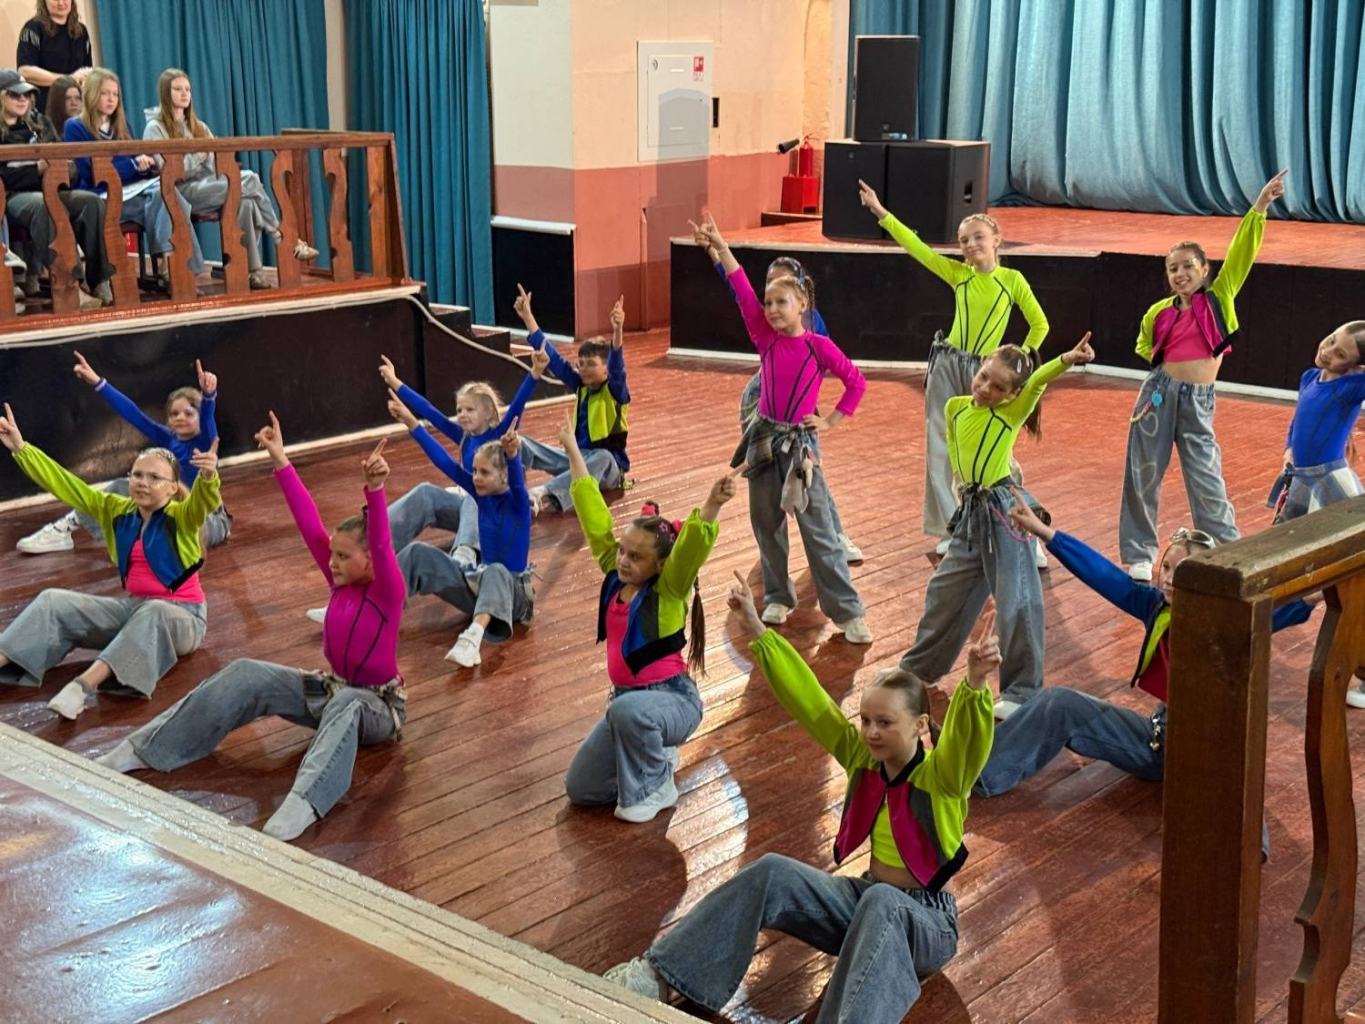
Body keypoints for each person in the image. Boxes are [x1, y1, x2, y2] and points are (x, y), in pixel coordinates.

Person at [604, 572, 997, 1022]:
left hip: (926, 925)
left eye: (885, 723)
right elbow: (811, 701)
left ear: (920, 726)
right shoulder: (863, 761)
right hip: (868, 903)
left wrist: (975, 683)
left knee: (883, 902)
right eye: (866, 720)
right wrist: (758, 633)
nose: (870, 732)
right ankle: (659, 976)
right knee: (772, 871)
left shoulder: (943, 778)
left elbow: (966, 745)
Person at [95, 424, 405, 843]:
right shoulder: (339, 583)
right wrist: (280, 460)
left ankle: (304, 802)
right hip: (334, 690)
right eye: (331, 553)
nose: (331, 561)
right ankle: (145, 748)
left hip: (377, 707)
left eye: (343, 556)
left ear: (369, 562)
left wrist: (376, 491)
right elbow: (308, 522)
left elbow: (383, 545)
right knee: (245, 672)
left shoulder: (387, 591)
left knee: (349, 703)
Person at [976, 497, 1316, 850]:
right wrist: (1047, 534)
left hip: (1211, 751)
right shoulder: (1154, 605)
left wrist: (1321, 591)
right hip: (1161, 739)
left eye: (1181, 572)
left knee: (1237, 771)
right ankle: (975, 773)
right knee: (1059, 703)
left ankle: (1247, 854)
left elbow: (1293, 607)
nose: (1168, 579)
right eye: (1166, 567)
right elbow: (1104, 575)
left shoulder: (1232, 621)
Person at [692, 214, 872, 644]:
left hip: (800, 447)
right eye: (768, 303)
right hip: (764, 442)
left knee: (819, 530)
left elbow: (856, 382)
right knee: (766, 523)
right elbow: (741, 289)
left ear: (802, 305)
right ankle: (777, 595)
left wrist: (830, 420)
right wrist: (720, 246)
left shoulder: (818, 345)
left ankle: (847, 611)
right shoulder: (765, 338)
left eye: (781, 302)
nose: (772, 309)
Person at [898, 332, 1097, 719]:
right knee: (945, 591)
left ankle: (1022, 690)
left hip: (1005, 513)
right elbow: (954, 449)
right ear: (979, 367)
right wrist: (962, 490)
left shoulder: (1009, 414)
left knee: (1017, 600)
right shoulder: (955, 407)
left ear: (1012, 395)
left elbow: (1037, 382)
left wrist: (1066, 360)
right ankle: (920, 668)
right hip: (972, 511)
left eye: (999, 387)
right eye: (984, 376)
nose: (986, 388)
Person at [857, 179, 1050, 561]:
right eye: (963, 240)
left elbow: (1039, 324)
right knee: (941, 447)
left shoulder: (1012, 281)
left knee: (997, 449)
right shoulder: (959, 275)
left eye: (978, 237)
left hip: (986, 372)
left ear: (996, 240)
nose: (970, 244)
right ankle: (953, 527)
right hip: (948, 364)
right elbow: (918, 249)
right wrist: (881, 212)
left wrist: (1015, 362)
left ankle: (1022, 526)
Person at [561, 413, 734, 822]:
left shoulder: (668, 589)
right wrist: (571, 449)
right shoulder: (615, 576)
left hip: (672, 702)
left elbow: (690, 550)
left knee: (628, 713)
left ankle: (656, 784)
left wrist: (711, 505)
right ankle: (653, 756)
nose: (623, 560)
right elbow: (594, 519)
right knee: (582, 789)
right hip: (628, 705)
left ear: (659, 565)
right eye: (623, 551)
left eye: (636, 556)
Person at [0, 401, 219, 720]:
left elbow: (203, 502)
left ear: (173, 487)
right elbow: (66, 484)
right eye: (137, 475)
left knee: (155, 611)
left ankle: (81, 688)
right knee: (53, 601)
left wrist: (209, 477)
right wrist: (22, 450)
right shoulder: (115, 509)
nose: (142, 482)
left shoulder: (183, 517)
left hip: (184, 618)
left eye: (154, 477)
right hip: (134, 608)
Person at [1119, 170, 1288, 581]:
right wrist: (1163, 380)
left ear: (1204, 269)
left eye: (1187, 266)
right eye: (1172, 268)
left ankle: (1227, 548)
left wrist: (1259, 208)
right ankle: (1140, 553)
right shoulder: (1157, 313)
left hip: (1198, 399)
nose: (1180, 273)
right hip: (1158, 395)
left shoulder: (1219, 297)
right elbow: (1144, 346)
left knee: (1206, 477)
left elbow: (1242, 253)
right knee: (1143, 472)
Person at [698, 244, 863, 564]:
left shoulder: (814, 329)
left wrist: (829, 418)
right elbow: (741, 292)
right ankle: (771, 548)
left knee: (811, 476)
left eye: (783, 286)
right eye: (769, 288)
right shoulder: (765, 322)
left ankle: (834, 537)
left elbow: (840, 374)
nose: (773, 302)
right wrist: (718, 255)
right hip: (762, 404)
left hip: (799, 412)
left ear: (800, 297)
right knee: (764, 475)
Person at [17, 351, 232, 553]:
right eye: (174, 414)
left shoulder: (206, 442)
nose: (180, 418)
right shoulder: (168, 437)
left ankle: (154, 540)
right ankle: (66, 528)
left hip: (207, 518)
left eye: (189, 413)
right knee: (124, 485)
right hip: (172, 508)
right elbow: (132, 414)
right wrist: (98, 382)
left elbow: (208, 419)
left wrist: (208, 396)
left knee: (172, 530)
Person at [387, 392, 534, 668]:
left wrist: (513, 456)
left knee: (496, 570)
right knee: (417, 554)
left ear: (503, 475)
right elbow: (445, 463)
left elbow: (517, 482)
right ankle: (371, 607)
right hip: (478, 582)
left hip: (512, 597)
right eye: (475, 471)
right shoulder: (480, 497)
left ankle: (472, 640)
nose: (476, 478)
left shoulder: (519, 504)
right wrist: (411, 423)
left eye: (484, 473)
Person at [142, 68, 319, 290]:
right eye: (178, 89)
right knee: (250, 179)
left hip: (207, 184)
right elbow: (170, 172)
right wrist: (200, 155)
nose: (185, 94)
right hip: (180, 192)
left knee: (246, 201)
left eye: (188, 89)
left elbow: (214, 164)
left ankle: (250, 271)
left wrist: (211, 157)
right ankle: (283, 237)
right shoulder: (155, 128)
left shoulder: (198, 126)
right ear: (165, 93)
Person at [64, 67, 206, 287]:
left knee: (167, 196)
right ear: (92, 94)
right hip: (102, 198)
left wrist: (143, 165)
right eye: (104, 93)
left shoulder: (121, 126)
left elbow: (134, 164)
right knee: (170, 200)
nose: (111, 99)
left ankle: (170, 265)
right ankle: (178, 268)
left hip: (132, 192)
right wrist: (132, 166)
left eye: (115, 94)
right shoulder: (75, 127)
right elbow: (93, 173)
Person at [512, 288, 630, 513]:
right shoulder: (581, 387)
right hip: (577, 459)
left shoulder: (616, 391)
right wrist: (528, 317)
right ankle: (510, 490)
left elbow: (618, 367)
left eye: (591, 364)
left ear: (606, 369)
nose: (583, 369)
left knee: (603, 456)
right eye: (581, 364)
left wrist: (617, 330)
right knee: (520, 442)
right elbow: (555, 360)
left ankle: (542, 493)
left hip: (609, 471)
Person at [0, 67, 110, 307]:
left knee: (90, 202)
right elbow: (3, 176)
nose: (22, 99)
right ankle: (69, 284)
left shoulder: (40, 123)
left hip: (49, 189)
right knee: (45, 206)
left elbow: (61, 157)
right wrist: (37, 170)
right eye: (15, 94)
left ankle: (100, 279)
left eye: (26, 94)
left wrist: (65, 168)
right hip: (11, 197)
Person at [1269, 321, 1365, 524]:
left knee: (1343, 532)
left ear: (1357, 366)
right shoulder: (1309, 377)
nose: (1327, 352)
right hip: (1301, 477)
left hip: (1329, 478)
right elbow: (1297, 420)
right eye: (1331, 340)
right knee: (1291, 534)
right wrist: (1289, 449)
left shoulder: (1352, 388)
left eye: (1340, 355)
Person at [16, 0, 91, 112]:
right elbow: (25, 71)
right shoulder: (33, 28)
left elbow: (88, 70)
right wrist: (68, 79)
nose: (61, 3)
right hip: (45, 108)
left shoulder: (81, 31)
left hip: (76, 108)